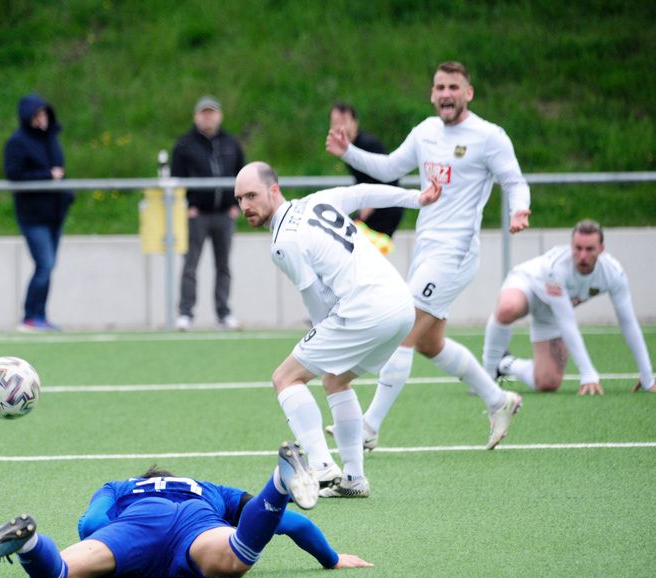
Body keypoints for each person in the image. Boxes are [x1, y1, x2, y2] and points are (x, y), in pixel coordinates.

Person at [325, 60, 528, 452]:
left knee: (402, 330)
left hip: (455, 253)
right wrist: (350, 152)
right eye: (440, 87)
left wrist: (519, 208)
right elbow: (387, 169)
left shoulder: (489, 136)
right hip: (426, 248)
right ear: (432, 94)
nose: (446, 94)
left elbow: (513, 180)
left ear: (468, 92)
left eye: (454, 87)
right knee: (429, 343)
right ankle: (498, 400)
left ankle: (368, 427)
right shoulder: (426, 132)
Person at [235, 162, 440, 498]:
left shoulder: (283, 242)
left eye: (252, 196)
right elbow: (363, 193)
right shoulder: (316, 201)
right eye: (240, 199)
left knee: (285, 378)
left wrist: (321, 335)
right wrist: (416, 198)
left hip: (366, 310)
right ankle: (354, 479)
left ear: (274, 190)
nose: (245, 206)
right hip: (401, 306)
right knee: (336, 379)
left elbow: (312, 296)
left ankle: (320, 465)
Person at [0, 441, 373, 578]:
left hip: (135, 527)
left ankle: (29, 543)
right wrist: (331, 559)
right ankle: (279, 485)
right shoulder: (207, 489)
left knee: (58, 575)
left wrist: (112, 549)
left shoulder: (120, 488)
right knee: (234, 559)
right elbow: (294, 523)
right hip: (197, 523)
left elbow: (90, 525)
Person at [482, 220, 656, 395]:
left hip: (551, 311)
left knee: (548, 383)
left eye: (589, 249)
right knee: (507, 308)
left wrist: (647, 376)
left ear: (601, 249)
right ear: (571, 245)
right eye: (577, 248)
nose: (582, 256)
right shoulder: (557, 267)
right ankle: (486, 376)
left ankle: (505, 363)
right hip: (528, 285)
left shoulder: (613, 273)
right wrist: (588, 373)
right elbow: (567, 322)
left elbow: (628, 322)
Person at [172, 96, 246, 331]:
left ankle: (223, 313)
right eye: (204, 113)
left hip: (224, 213)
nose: (208, 117)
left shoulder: (231, 143)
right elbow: (175, 178)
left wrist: (236, 204)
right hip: (197, 215)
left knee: (223, 265)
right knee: (190, 265)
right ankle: (185, 313)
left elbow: (242, 175)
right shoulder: (185, 145)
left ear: (219, 115)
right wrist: (187, 205)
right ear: (196, 116)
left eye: (212, 112)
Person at [4, 94, 74, 332]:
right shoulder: (18, 142)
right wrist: (47, 176)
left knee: (48, 266)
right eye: (36, 115)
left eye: (44, 114)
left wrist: (67, 193)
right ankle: (29, 316)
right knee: (44, 264)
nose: (41, 119)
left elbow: (61, 171)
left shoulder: (52, 139)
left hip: (55, 213)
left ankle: (40, 315)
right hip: (33, 216)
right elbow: (14, 174)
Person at [329, 102, 403, 254]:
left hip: (384, 208)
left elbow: (390, 177)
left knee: (362, 254)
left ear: (355, 123)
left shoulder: (368, 144)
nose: (339, 127)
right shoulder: (348, 148)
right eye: (335, 122)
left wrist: (371, 203)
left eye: (343, 121)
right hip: (369, 206)